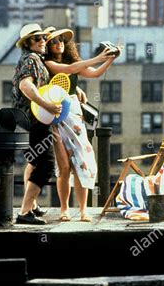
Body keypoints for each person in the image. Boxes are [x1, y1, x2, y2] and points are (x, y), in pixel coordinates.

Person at [44, 27, 119, 222]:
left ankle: (84, 209)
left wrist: (109, 59)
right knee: (64, 165)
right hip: (57, 115)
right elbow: (69, 71)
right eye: (54, 41)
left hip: (75, 114)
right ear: (48, 46)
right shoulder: (48, 63)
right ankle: (64, 209)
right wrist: (99, 57)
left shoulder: (73, 62)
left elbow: (94, 74)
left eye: (61, 40)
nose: (59, 43)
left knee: (81, 163)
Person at [11, 23, 61, 225]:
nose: (42, 41)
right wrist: (47, 105)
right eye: (37, 38)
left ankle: (30, 206)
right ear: (27, 43)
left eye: (43, 38)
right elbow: (25, 85)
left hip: (29, 121)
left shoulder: (33, 59)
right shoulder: (31, 60)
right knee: (46, 164)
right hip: (33, 121)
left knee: (33, 162)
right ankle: (24, 211)